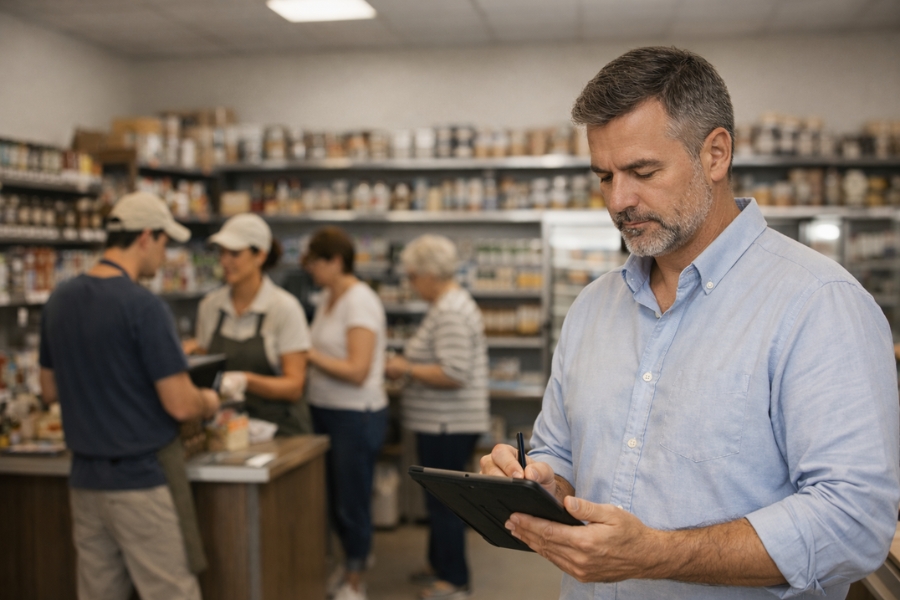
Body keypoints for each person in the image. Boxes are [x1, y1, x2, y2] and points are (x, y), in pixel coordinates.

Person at [480, 46, 900, 599]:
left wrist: (658, 553)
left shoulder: (819, 304)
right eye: (604, 176)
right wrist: (539, 483)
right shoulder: (592, 308)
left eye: (643, 171)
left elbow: (853, 522)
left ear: (715, 154)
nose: (619, 200)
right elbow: (559, 454)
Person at [38, 191, 221, 600]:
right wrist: (209, 401)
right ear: (145, 237)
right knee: (172, 593)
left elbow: (49, 390)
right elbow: (179, 403)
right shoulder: (143, 307)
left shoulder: (59, 301)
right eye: (164, 243)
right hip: (140, 480)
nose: (164, 256)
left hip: (85, 481)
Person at [384, 234, 490, 600]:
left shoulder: (450, 311)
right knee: (439, 498)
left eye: (413, 276)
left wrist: (405, 368)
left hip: (448, 423)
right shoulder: (447, 305)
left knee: (446, 503)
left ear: (430, 273)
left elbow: (453, 372)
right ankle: (438, 564)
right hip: (443, 422)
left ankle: (454, 580)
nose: (411, 284)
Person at [302, 226, 388, 600]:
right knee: (333, 501)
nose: (310, 269)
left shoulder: (360, 301)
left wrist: (308, 355)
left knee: (351, 501)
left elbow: (357, 370)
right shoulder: (326, 298)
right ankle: (347, 565)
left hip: (355, 415)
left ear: (335, 261)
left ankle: (356, 581)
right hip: (324, 409)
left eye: (315, 262)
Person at [187, 213, 312, 436]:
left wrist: (246, 380)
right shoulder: (210, 306)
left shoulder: (284, 308)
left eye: (234, 253)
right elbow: (205, 370)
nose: (225, 261)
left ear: (260, 256)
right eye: (222, 252)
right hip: (226, 430)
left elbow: (294, 387)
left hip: (280, 431)